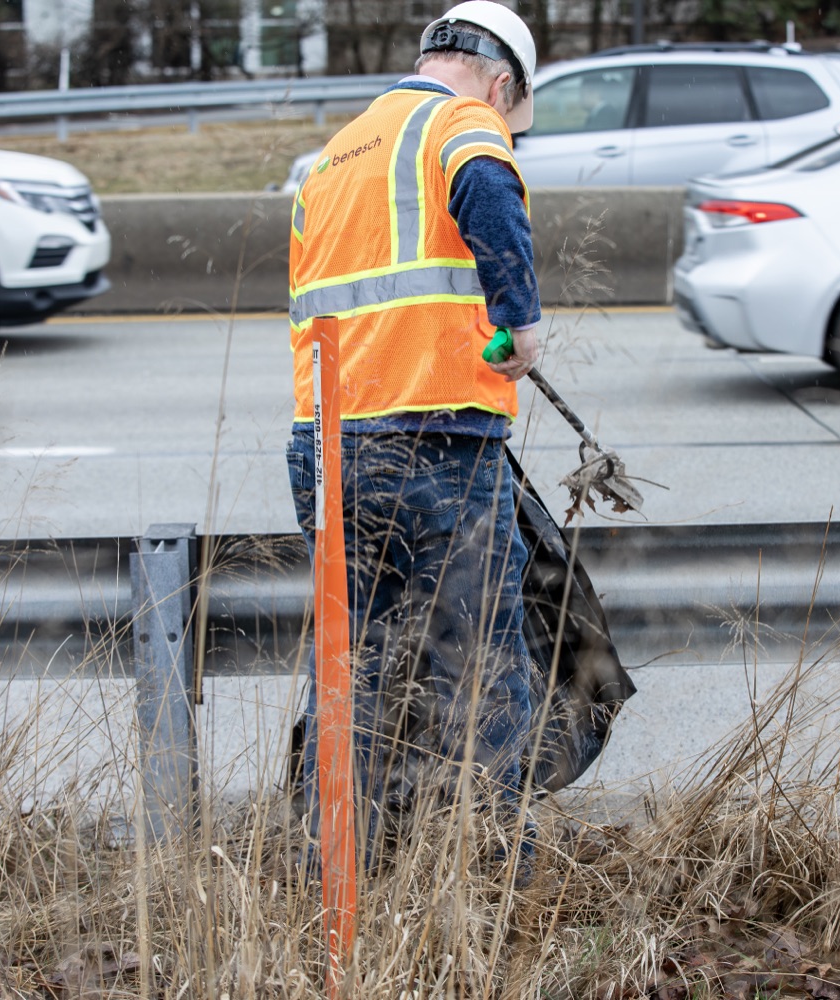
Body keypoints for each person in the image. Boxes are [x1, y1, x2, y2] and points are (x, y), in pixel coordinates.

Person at [285, 1, 542, 870]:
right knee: (477, 663)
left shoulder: (335, 155)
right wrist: (521, 324)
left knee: (349, 665)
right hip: (437, 438)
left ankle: (335, 864)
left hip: (325, 446)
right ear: (500, 85)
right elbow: (488, 192)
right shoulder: (462, 120)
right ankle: (491, 876)